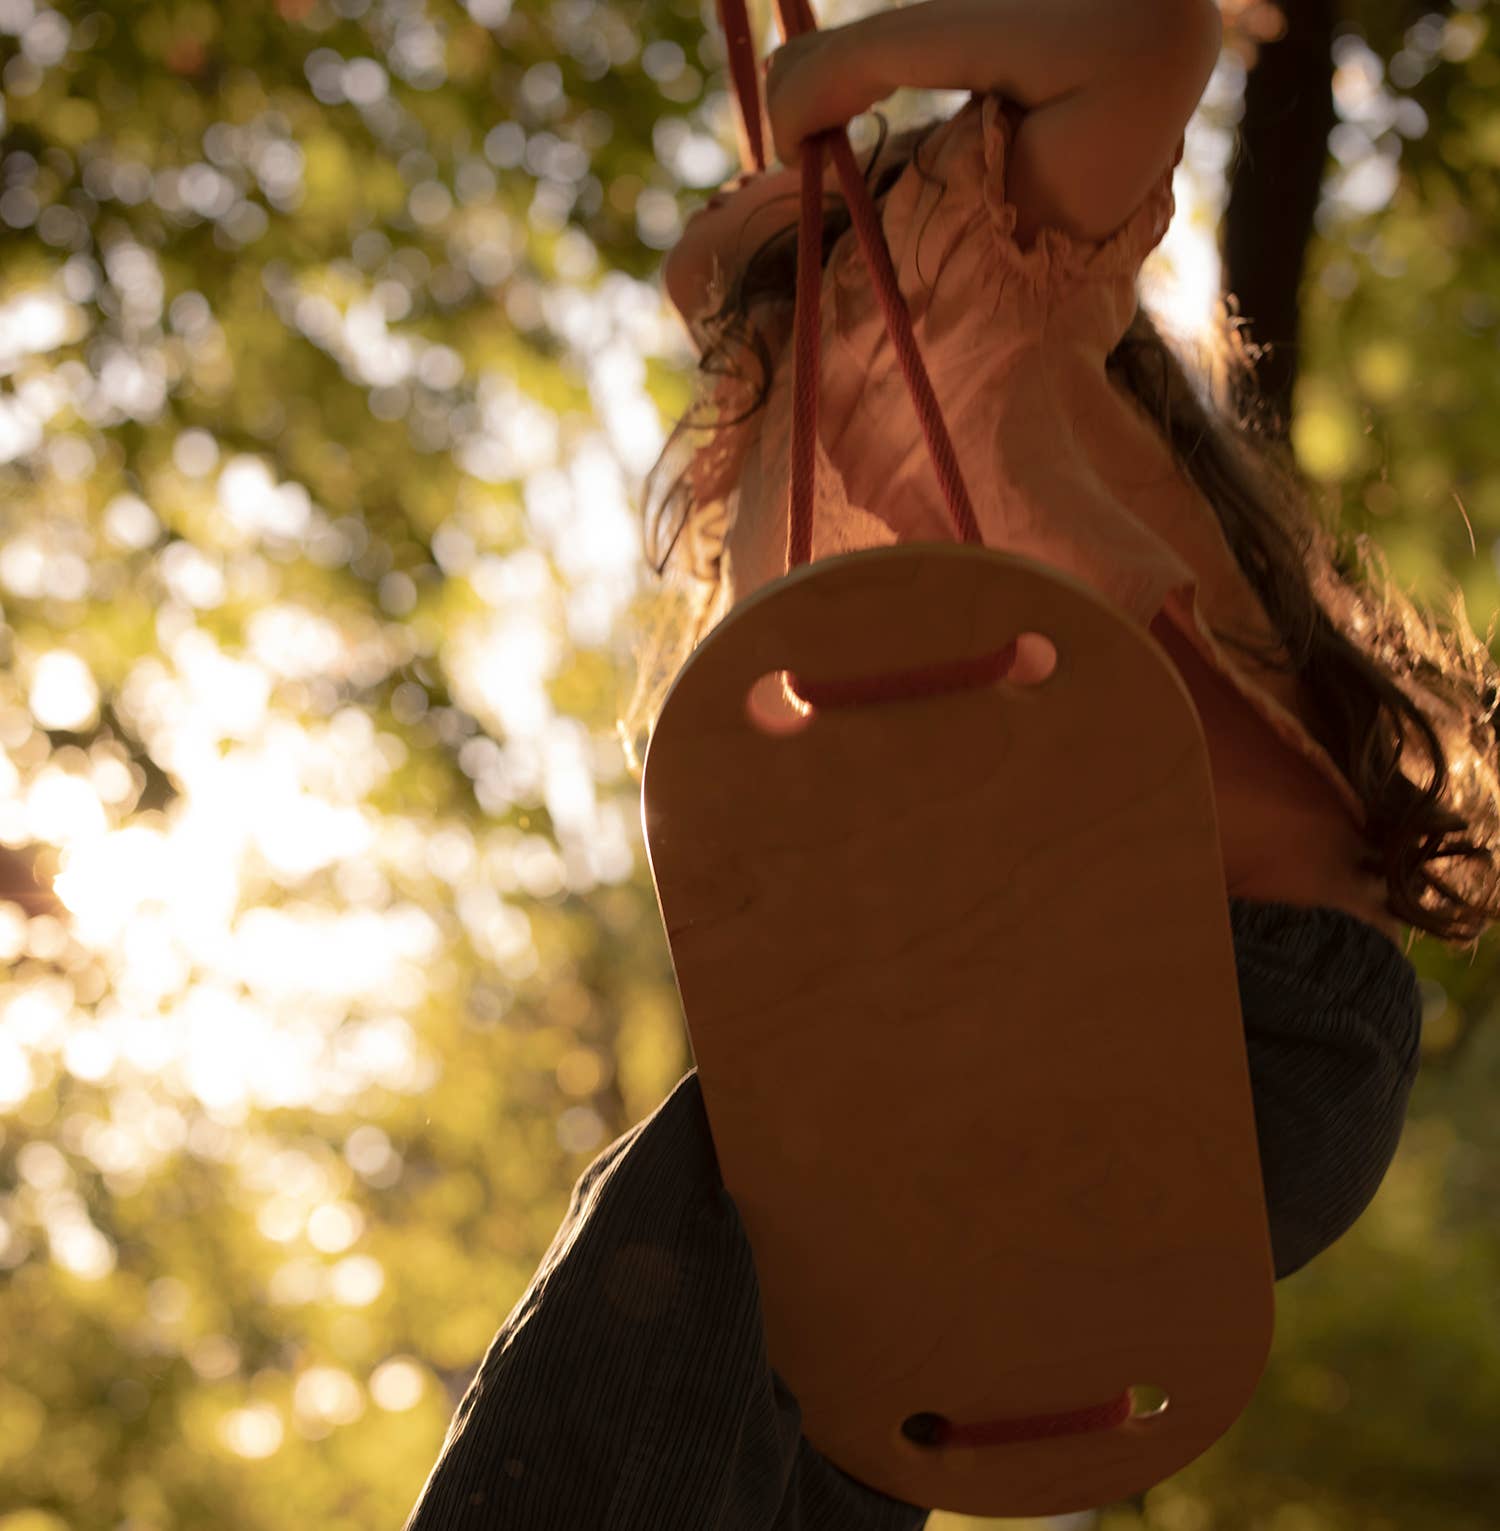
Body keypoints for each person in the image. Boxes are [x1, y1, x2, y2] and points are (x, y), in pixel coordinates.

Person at [403, 0, 1500, 1524]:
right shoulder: (784, 498)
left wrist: (843, 76)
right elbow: (697, 271)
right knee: (811, 1360)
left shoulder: (972, 278)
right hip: (1138, 1051)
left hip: (1226, 1004)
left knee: (728, 1198)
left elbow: (1153, 33)